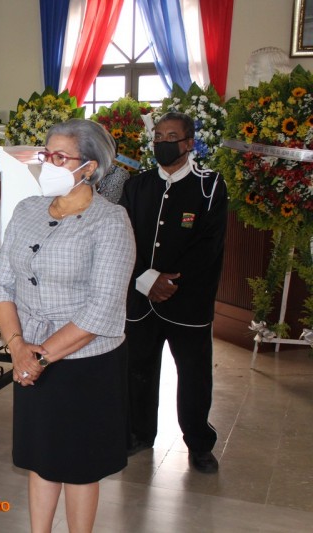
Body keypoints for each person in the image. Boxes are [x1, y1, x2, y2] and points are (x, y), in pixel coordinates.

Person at [0, 119, 135, 532]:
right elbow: (2, 283)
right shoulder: (28, 210)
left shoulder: (110, 221)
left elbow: (102, 308)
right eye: (45, 155)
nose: (47, 164)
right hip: (29, 356)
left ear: (89, 167)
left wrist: (39, 358)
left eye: (59, 157)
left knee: (79, 466)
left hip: (84, 362)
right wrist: (18, 346)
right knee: (42, 459)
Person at [120, 112, 228, 474]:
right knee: (138, 369)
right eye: (158, 137)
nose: (163, 143)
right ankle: (139, 433)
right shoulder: (137, 186)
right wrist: (145, 279)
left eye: (171, 136)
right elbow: (124, 237)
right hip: (141, 299)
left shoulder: (209, 186)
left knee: (194, 376)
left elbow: (209, 245)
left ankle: (199, 443)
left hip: (188, 302)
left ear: (189, 143)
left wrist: (169, 282)